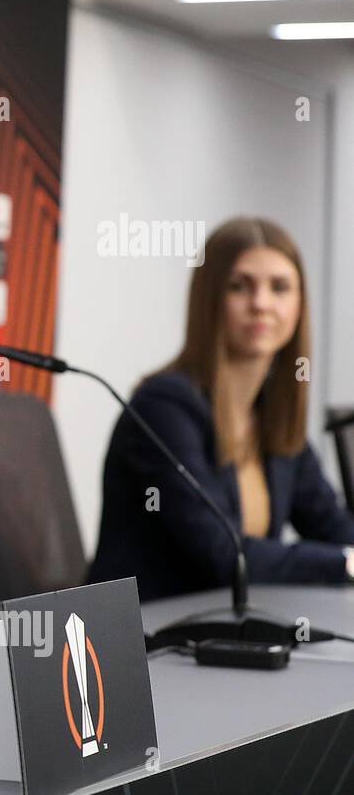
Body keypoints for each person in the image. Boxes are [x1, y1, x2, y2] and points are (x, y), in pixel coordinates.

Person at [90, 217, 354, 599]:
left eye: (280, 288)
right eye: (239, 287)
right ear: (209, 299)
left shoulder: (272, 415)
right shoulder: (162, 408)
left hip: (226, 632)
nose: (261, 304)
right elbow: (221, 555)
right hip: (150, 641)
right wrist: (342, 563)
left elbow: (330, 524)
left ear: (299, 305)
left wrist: (345, 552)